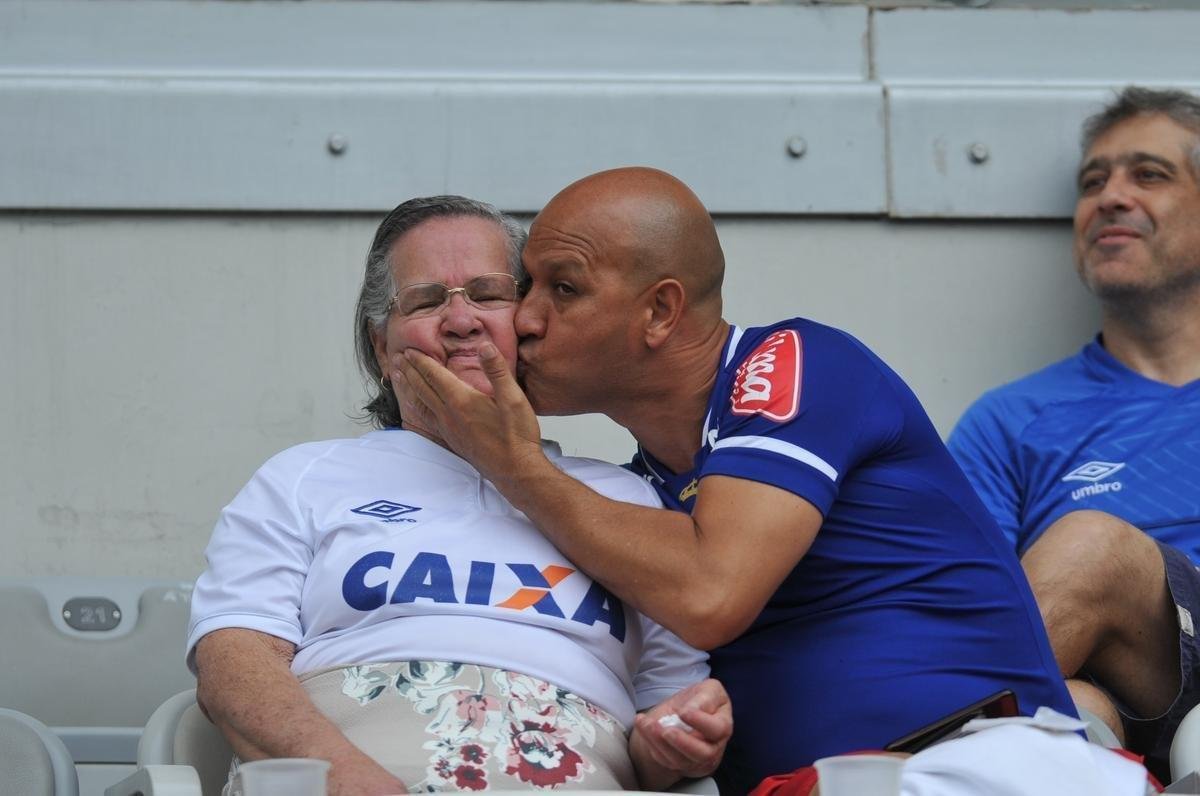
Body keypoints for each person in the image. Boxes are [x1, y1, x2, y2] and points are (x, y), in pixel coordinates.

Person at [394, 168, 1077, 793]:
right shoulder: (625, 497)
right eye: (526, 288)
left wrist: (512, 462)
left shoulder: (791, 361)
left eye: (563, 289)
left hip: (967, 764)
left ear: (660, 312)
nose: (527, 320)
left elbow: (713, 592)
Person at [187, 195, 732, 796]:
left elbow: (665, 717)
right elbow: (233, 666)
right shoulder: (305, 476)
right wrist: (349, 780)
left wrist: (669, 743)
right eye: (423, 301)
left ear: (529, 321)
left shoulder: (625, 497)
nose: (461, 321)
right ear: (381, 347)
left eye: (489, 293)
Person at [949, 86, 1200, 778]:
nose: (1110, 197)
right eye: (1093, 181)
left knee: (1092, 544)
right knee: (1069, 708)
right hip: (1118, 681)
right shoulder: (1010, 420)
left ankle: (907, 756)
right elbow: (963, 603)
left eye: (1148, 174)